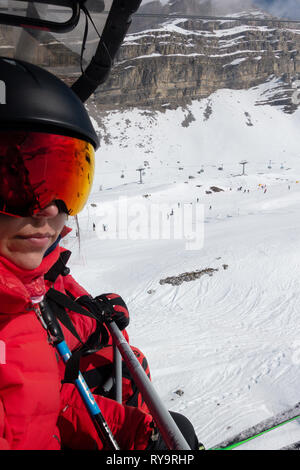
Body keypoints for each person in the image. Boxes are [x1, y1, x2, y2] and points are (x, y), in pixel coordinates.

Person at [0, 57, 200, 450]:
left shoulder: (22, 295)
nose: (50, 210)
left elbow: (40, 408)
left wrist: (138, 434)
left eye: (67, 184)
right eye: (15, 188)